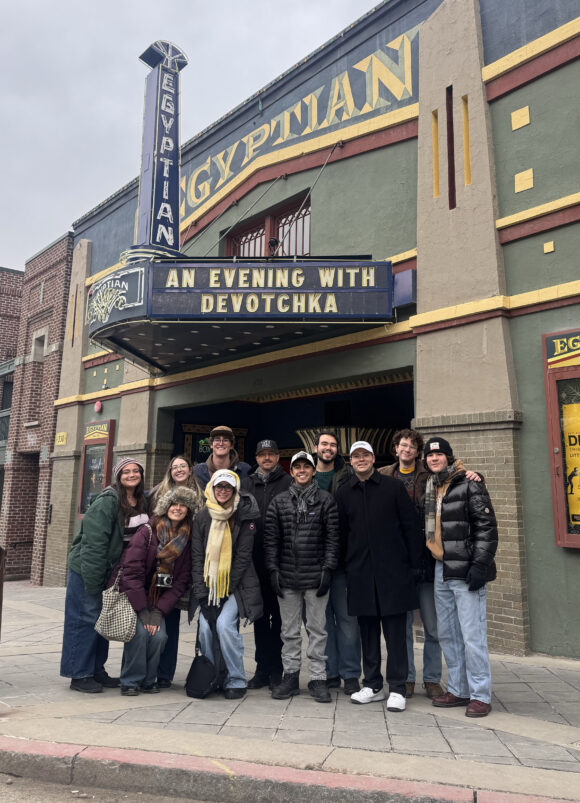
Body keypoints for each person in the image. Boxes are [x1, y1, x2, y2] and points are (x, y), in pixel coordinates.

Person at [336, 441, 422, 712]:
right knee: (368, 632)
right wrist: (344, 567)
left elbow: (410, 527)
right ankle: (372, 685)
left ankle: (398, 688)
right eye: (355, 456)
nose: (360, 460)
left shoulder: (393, 488)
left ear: (373, 458)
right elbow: (341, 535)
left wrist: (414, 565)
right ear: (351, 462)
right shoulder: (344, 493)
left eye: (365, 455)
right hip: (360, 573)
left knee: (396, 634)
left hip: (393, 572)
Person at [423, 436, 498, 718]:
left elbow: (487, 528)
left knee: (472, 635)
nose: (434, 459)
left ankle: (480, 694)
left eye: (439, 455)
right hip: (441, 568)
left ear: (449, 457)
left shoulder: (470, 483)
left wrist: (480, 565)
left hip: (466, 569)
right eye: (429, 456)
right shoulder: (432, 486)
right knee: (449, 634)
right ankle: (458, 688)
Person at [60, 457, 148, 693]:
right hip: (88, 569)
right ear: (118, 476)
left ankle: (96, 670)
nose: (131, 474)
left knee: (101, 620)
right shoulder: (108, 501)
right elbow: (93, 545)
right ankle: (79, 674)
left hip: (111, 572)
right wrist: (93, 581)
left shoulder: (141, 500)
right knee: (84, 619)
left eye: (135, 471)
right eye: (126, 471)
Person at [264, 451, 339, 704]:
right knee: (289, 631)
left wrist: (328, 569)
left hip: (315, 576)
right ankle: (291, 676)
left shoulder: (326, 500)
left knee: (318, 630)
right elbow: (271, 540)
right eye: (297, 467)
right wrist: (273, 570)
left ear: (313, 471)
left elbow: (332, 539)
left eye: (307, 466)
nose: (302, 471)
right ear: (292, 471)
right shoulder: (280, 501)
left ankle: (318, 678)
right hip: (286, 576)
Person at [189, 469, 262, 699]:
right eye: (219, 487)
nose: (223, 491)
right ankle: (212, 676)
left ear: (234, 490)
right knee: (206, 628)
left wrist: (224, 592)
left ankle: (236, 679)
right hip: (207, 585)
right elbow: (197, 557)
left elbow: (242, 558)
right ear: (212, 487)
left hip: (235, 586)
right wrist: (203, 595)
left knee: (224, 626)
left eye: (227, 488)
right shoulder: (202, 517)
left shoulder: (243, 515)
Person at [116, 486, 195, 695]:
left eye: (182, 505)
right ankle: (131, 680)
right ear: (165, 506)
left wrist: (158, 612)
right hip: (135, 596)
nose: (177, 508)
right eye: (173, 504)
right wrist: (143, 611)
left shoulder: (187, 539)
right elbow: (131, 573)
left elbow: (181, 581)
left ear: (188, 510)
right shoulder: (147, 532)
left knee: (159, 637)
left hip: (160, 599)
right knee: (140, 634)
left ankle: (149, 681)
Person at [147, 455, 204, 688]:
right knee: (152, 621)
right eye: (174, 467)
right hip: (157, 568)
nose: (179, 470)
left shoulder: (201, 496)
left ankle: (165, 674)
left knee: (171, 621)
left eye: (183, 466)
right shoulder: (156, 494)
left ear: (191, 470)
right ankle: (146, 671)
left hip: (183, 565)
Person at [240, 439, 291, 690]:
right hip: (254, 562)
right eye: (262, 454)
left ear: (278, 456)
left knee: (280, 619)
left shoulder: (288, 482)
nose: (267, 458)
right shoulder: (247, 484)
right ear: (257, 458)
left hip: (281, 562)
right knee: (260, 617)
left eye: (272, 454)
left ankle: (277, 669)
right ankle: (262, 668)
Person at [313, 430, 360, 695]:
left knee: (346, 619)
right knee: (321, 623)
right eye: (324, 444)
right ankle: (329, 672)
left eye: (332, 445)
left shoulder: (348, 476)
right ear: (316, 447)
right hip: (312, 563)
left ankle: (351, 673)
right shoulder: (304, 475)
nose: (328, 448)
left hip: (343, 561)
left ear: (337, 450)